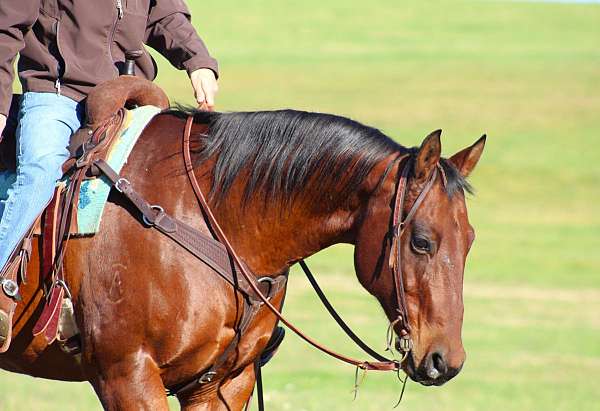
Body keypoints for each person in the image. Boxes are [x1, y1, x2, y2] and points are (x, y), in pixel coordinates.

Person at [0, 0, 218, 271]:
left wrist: (198, 62)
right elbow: (5, 28)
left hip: (126, 95)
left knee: (169, 175)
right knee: (40, 170)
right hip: (55, 93)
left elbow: (165, 15)